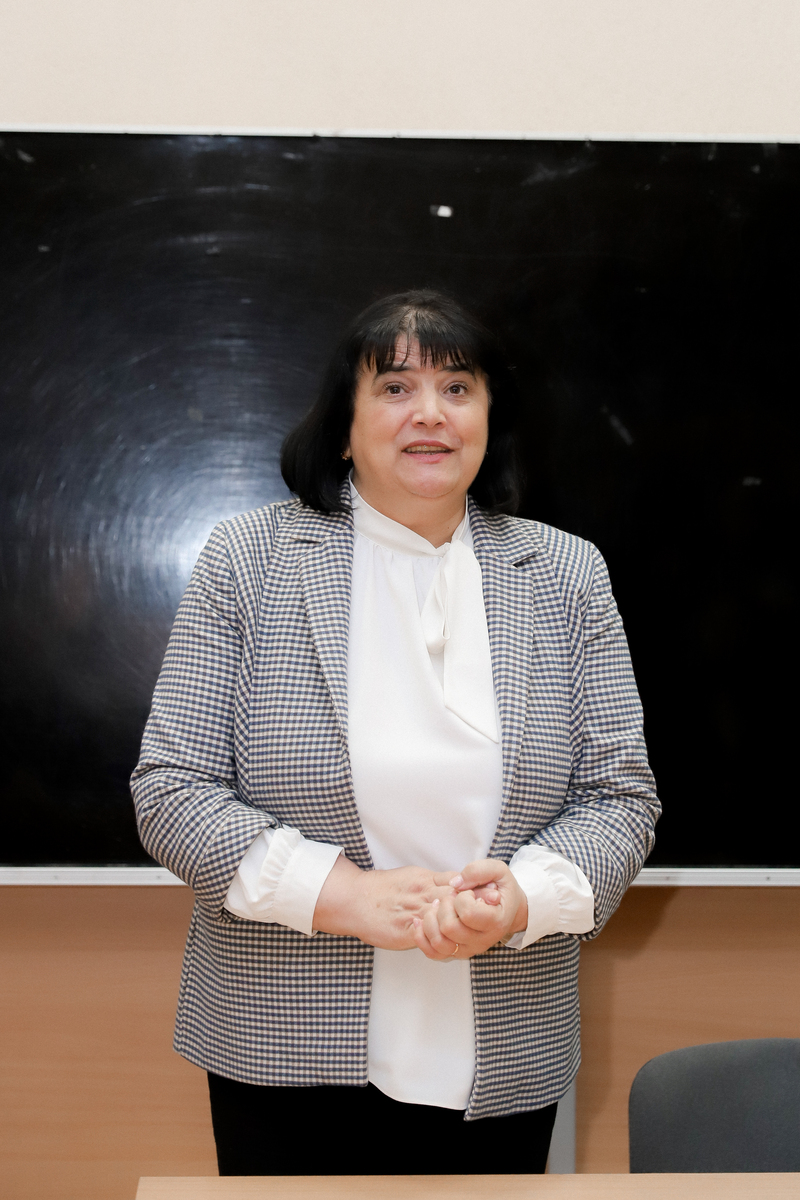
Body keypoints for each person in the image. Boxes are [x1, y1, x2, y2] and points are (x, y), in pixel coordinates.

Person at [131, 290, 659, 1176]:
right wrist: (342, 895)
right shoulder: (248, 560)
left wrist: (522, 899)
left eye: (458, 388)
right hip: (284, 1036)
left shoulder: (565, 572)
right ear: (343, 427)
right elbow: (172, 791)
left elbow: (620, 799)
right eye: (395, 387)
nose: (430, 413)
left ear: (488, 420)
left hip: (506, 1037)